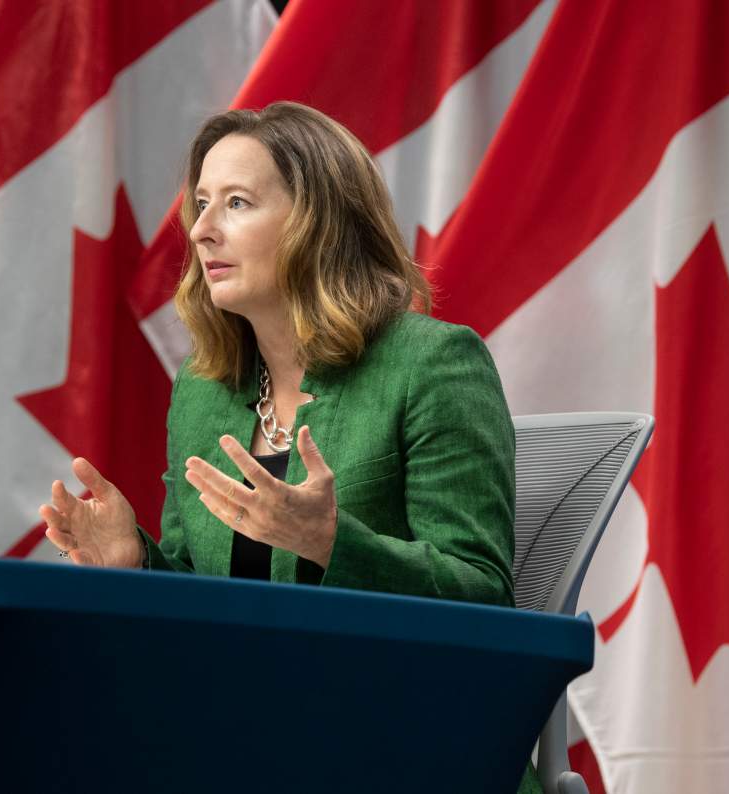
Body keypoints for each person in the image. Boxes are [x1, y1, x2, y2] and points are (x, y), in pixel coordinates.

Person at [40, 102, 537, 792]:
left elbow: (482, 601)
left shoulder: (433, 365)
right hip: (250, 740)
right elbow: (203, 601)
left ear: (318, 223)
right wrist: (135, 563)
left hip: (405, 743)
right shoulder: (204, 388)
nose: (204, 231)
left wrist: (334, 543)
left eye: (237, 203)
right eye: (202, 205)